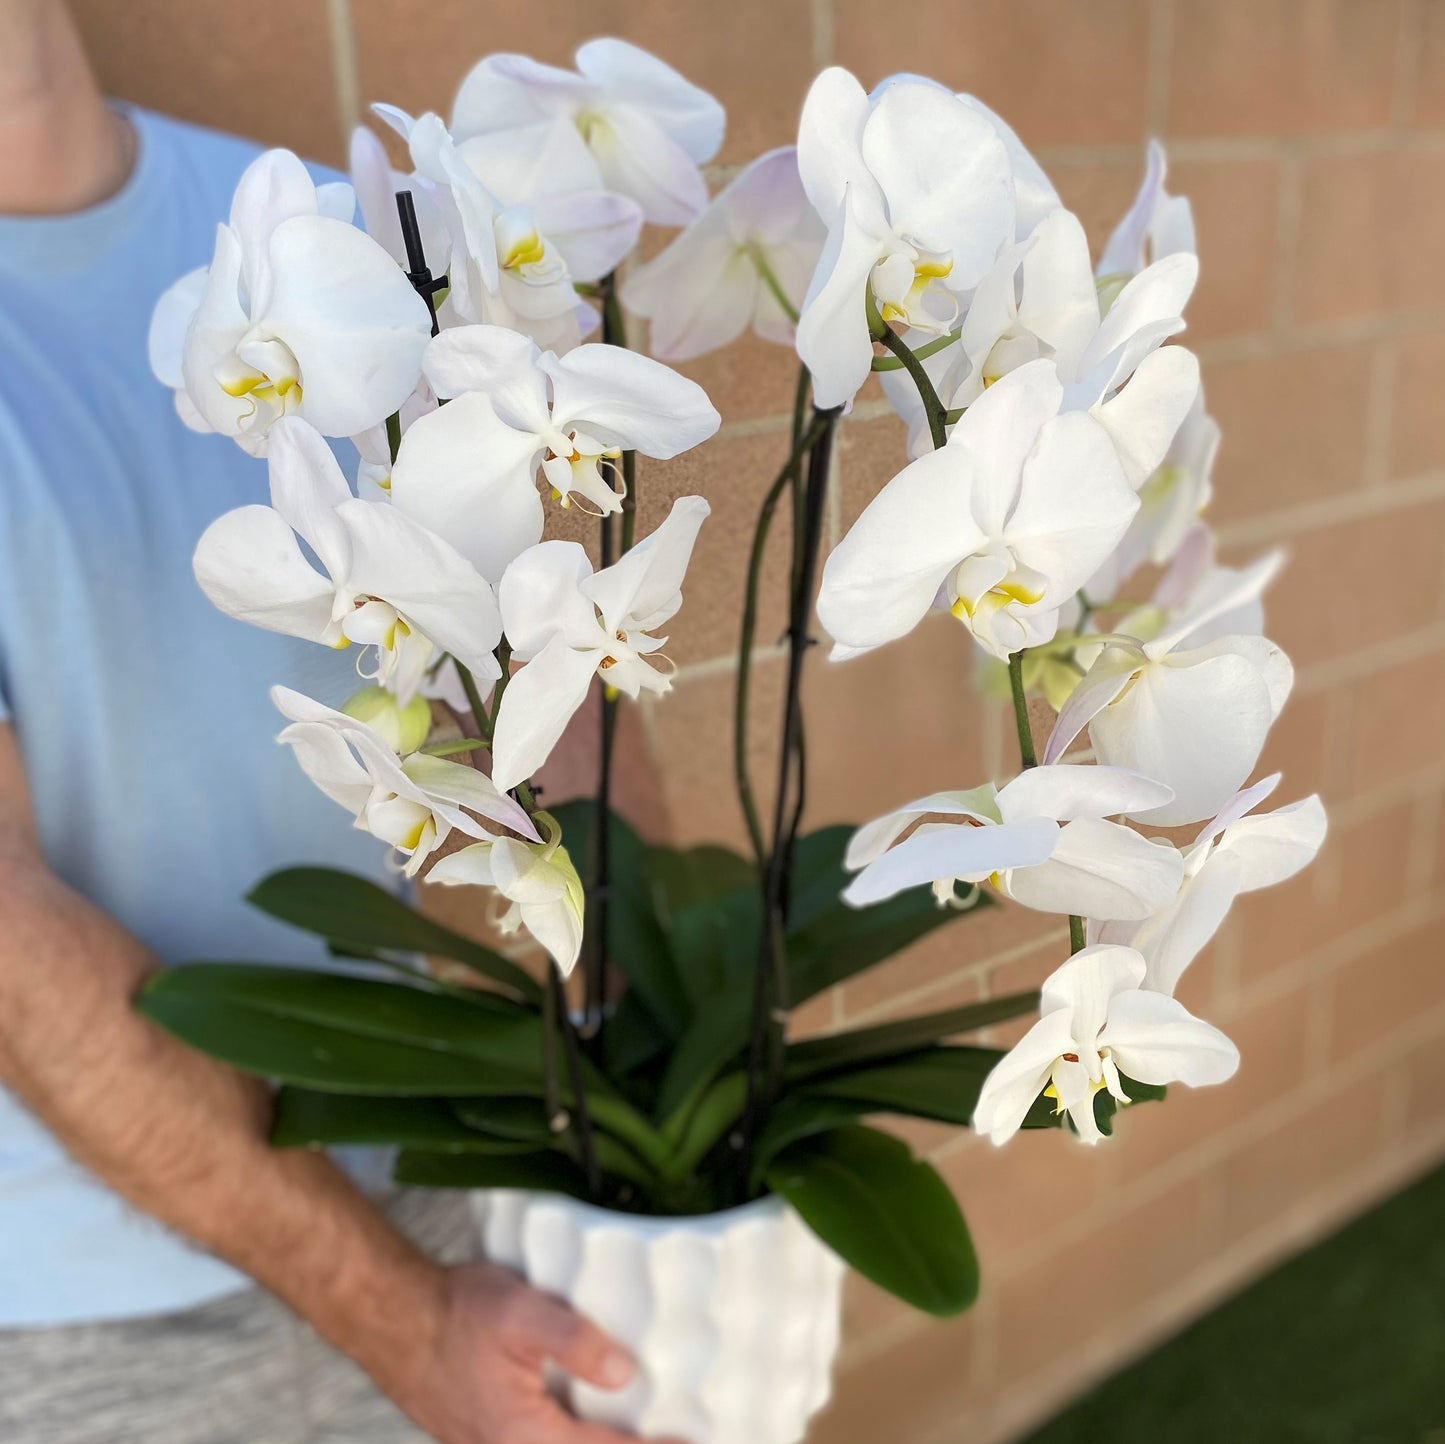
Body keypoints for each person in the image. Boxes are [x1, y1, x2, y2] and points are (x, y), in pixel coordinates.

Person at [0, 4, 655, 1441]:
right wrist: (397, 1319)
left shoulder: (343, 227)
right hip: (71, 1305)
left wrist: (659, 1061)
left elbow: (534, 658)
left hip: (432, 1169)